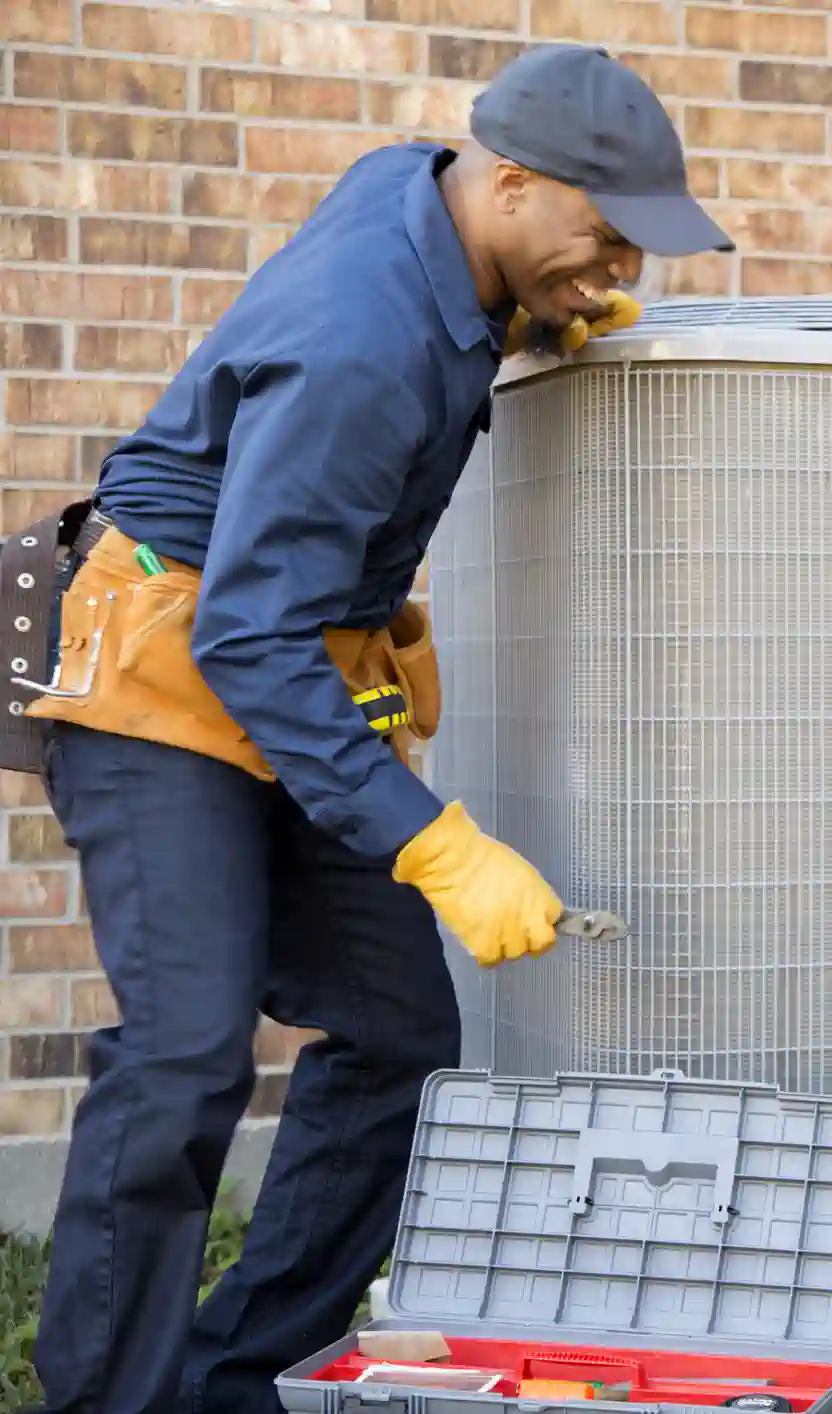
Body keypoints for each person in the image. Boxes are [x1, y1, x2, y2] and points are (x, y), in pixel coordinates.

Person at [0, 44, 732, 1414]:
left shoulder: (432, 213)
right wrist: (435, 841)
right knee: (185, 1049)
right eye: (603, 232)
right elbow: (246, 636)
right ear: (510, 181)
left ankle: (227, 1379)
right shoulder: (364, 337)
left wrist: (538, 308)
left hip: (284, 664)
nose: (621, 262)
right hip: (167, 675)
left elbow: (427, 231)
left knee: (397, 1033)